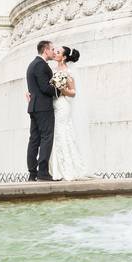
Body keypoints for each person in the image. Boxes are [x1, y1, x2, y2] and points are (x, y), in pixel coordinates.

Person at [48, 46, 91, 181]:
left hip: (62, 105)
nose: (55, 53)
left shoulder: (68, 72)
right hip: (52, 105)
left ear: (64, 57)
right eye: (55, 51)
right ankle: (55, 168)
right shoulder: (52, 71)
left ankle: (67, 168)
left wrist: (62, 90)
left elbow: (73, 92)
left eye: (58, 52)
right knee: (55, 134)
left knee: (62, 133)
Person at [26, 40, 58, 181]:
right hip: (43, 107)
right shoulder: (40, 65)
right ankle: (43, 172)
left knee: (34, 140)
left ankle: (32, 173)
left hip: (34, 107)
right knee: (46, 138)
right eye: (52, 49)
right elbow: (45, 88)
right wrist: (59, 90)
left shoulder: (32, 64)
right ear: (45, 50)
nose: (53, 52)